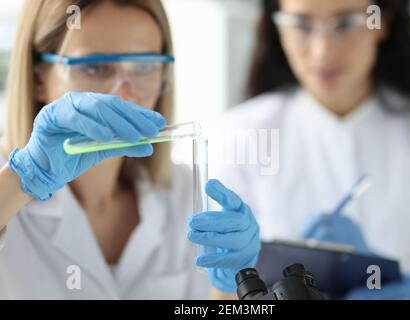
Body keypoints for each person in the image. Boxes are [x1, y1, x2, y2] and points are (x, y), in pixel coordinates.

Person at [0, 0, 260, 299]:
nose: (124, 94)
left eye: (145, 66)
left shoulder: (181, 193)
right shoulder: (8, 187)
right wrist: (25, 177)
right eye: (95, 68)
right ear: (37, 79)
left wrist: (229, 288)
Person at [215, 0, 410, 299]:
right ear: (278, 29)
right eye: (300, 25)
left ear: (383, 22)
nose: (322, 52)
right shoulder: (242, 133)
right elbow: (224, 286)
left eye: (346, 24)